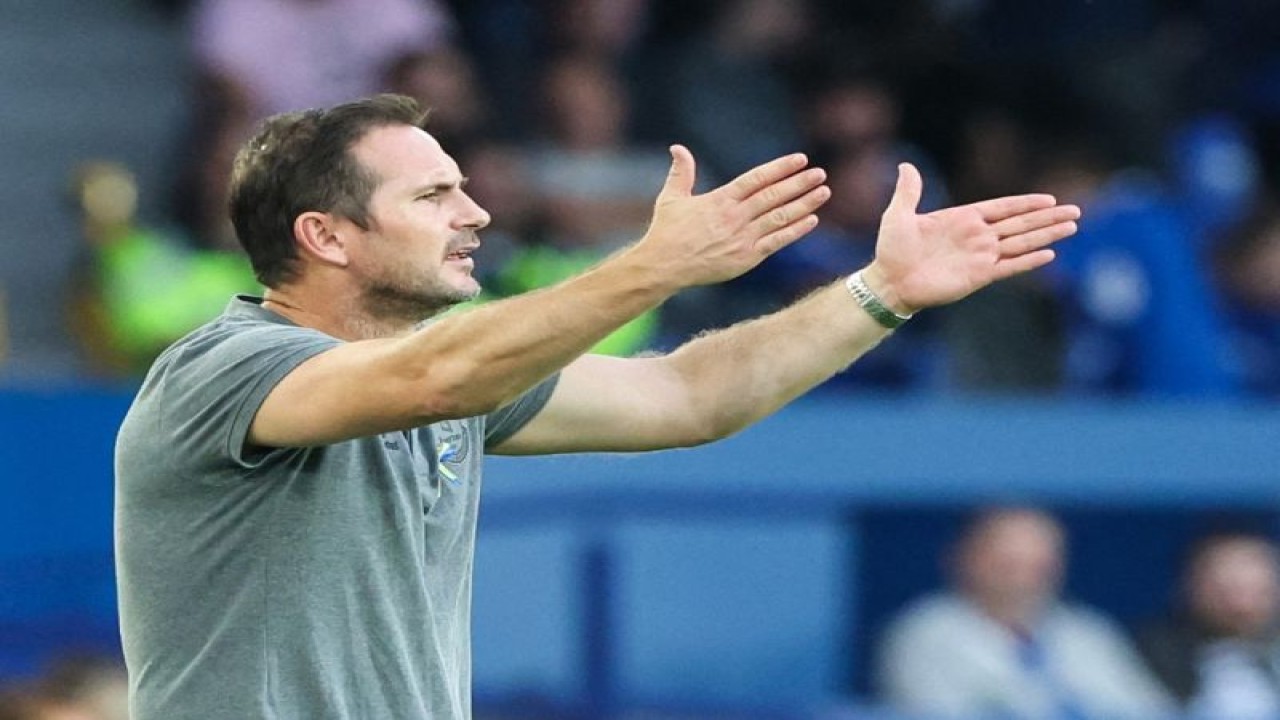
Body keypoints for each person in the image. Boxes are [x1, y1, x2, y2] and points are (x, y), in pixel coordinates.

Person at [114, 94, 1079, 719]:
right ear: (326, 236)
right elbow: (433, 378)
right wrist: (652, 267)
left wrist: (880, 291)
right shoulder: (224, 369)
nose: (475, 214)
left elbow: (690, 394)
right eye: (434, 196)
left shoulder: (455, 383)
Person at [877, 507, 1173, 719]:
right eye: (1008, 565)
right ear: (965, 559)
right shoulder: (925, 632)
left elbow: (1149, 710)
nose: (1022, 580)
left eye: (1037, 566)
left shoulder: (1084, 632)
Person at [1137, 531, 1280, 718]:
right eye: (1228, 591)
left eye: (1258, 593)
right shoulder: (1149, 654)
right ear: (1191, 586)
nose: (1242, 607)